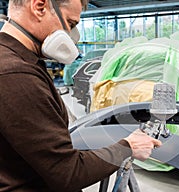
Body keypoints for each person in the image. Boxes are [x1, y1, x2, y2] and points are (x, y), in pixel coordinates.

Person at [0, 0, 162, 191]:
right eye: (70, 24)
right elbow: (67, 173)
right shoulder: (16, 75)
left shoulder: (19, 60)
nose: (72, 36)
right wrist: (127, 147)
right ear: (39, 7)